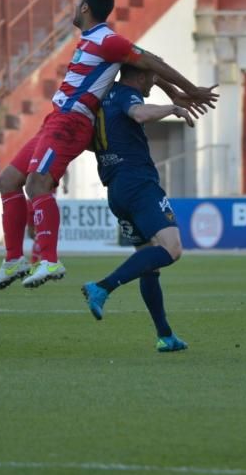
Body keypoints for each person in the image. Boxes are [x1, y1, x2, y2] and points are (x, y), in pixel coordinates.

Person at [0, 0, 218, 291]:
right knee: (8, 180)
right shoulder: (93, 41)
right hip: (55, 119)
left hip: (71, 122)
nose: (74, 6)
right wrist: (172, 91)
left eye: (78, 0)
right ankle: (13, 260)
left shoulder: (108, 40)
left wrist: (185, 91)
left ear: (84, 6)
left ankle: (49, 260)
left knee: (37, 182)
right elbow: (142, 64)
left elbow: (150, 61)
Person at [80, 64, 196, 352]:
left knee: (148, 262)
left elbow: (91, 143)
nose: (153, 83)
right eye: (152, 78)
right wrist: (173, 109)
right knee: (172, 249)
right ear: (140, 75)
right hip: (138, 184)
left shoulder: (100, 100)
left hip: (116, 190)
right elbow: (139, 113)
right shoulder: (126, 95)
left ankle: (165, 336)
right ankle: (102, 287)